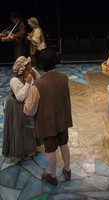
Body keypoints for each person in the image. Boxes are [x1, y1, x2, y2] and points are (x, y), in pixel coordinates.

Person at [24, 48, 72, 186]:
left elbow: (29, 109)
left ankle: (52, 176)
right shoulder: (64, 78)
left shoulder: (37, 85)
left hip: (47, 122)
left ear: (42, 66)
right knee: (64, 144)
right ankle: (68, 170)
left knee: (50, 149)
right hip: (63, 118)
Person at [2, 56, 41, 163]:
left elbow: (39, 81)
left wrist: (34, 74)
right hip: (17, 106)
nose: (31, 69)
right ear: (21, 70)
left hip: (28, 104)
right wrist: (28, 83)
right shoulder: (14, 80)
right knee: (19, 127)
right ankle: (19, 153)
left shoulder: (30, 74)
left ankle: (29, 150)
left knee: (28, 127)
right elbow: (20, 97)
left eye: (31, 67)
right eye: (28, 68)